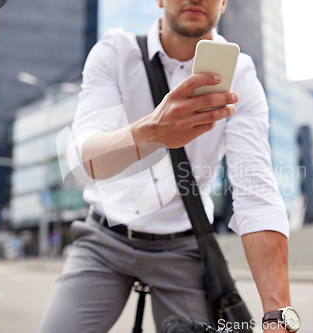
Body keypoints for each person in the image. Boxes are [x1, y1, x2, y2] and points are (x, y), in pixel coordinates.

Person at [39, 1, 296, 332]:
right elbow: (82, 165)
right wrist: (153, 132)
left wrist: (277, 313)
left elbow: (256, 191)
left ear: (224, 2)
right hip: (105, 238)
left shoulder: (240, 77)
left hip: (183, 247)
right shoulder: (115, 52)